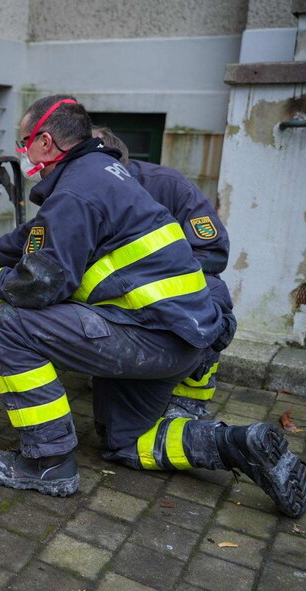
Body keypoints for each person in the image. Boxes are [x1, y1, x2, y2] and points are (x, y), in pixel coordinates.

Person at [0, 95, 306, 517]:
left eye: (24, 142)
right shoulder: (103, 174)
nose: (23, 152)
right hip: (179, 340)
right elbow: (30, 239)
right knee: (126, 443)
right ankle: (239, 444)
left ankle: (48, 463)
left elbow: (43, 281)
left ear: (46, 143)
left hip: (150, 336)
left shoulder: (76, 191)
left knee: (13, 322)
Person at [91, 127, 235, 421]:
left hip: (163, 289)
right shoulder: (77, 190)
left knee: (212, 295)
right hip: (106, 292)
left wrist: (153, 280)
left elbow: (212, 249)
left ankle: (192, 395)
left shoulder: (168, 186)